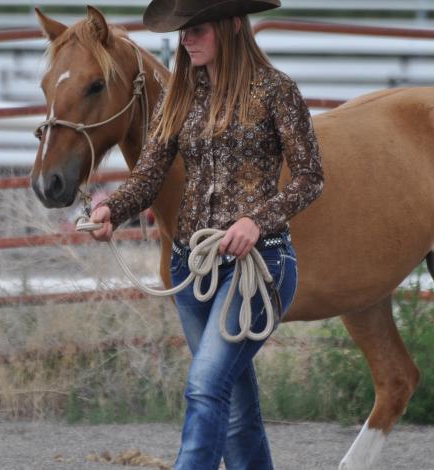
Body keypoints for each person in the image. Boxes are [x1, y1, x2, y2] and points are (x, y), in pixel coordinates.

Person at [85, 1, 325, 468]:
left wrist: (256, 221)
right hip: (191, 267)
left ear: (233, 24)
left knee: (204, 387)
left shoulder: (276, 90)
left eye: (197, 29)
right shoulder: (182, 95)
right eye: (182, 31)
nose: (186, 39)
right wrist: (113, 206)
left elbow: (311, 177)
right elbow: (150, 173)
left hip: (260, 265)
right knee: (233, 408)